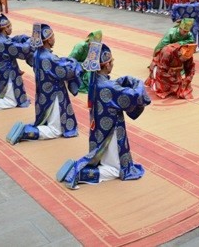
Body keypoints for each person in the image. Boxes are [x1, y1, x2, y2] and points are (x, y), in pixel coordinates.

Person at [56, 41, 151, 189]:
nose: (112, 63)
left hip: (99, 129)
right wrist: (137, 83)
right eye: (111, 61)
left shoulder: (95, 80)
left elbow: (112, 88)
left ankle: (81, 168)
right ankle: (78, 173)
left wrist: (121, 81)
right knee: (115, 169)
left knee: (102, 157)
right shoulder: (107, 86)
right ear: (106, 65)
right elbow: (133, 96)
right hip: (111, 130)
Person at [6, 23, 82, 144]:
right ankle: (26, 132)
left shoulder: (37, 53)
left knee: (48, 120)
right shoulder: (48, 57)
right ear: (47, 39)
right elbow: (65, 71)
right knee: (55, 130)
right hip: (54, 95)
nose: (54, 38)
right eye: (52, 36)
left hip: (43, 94)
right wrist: (76, 64)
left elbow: (56, 63)